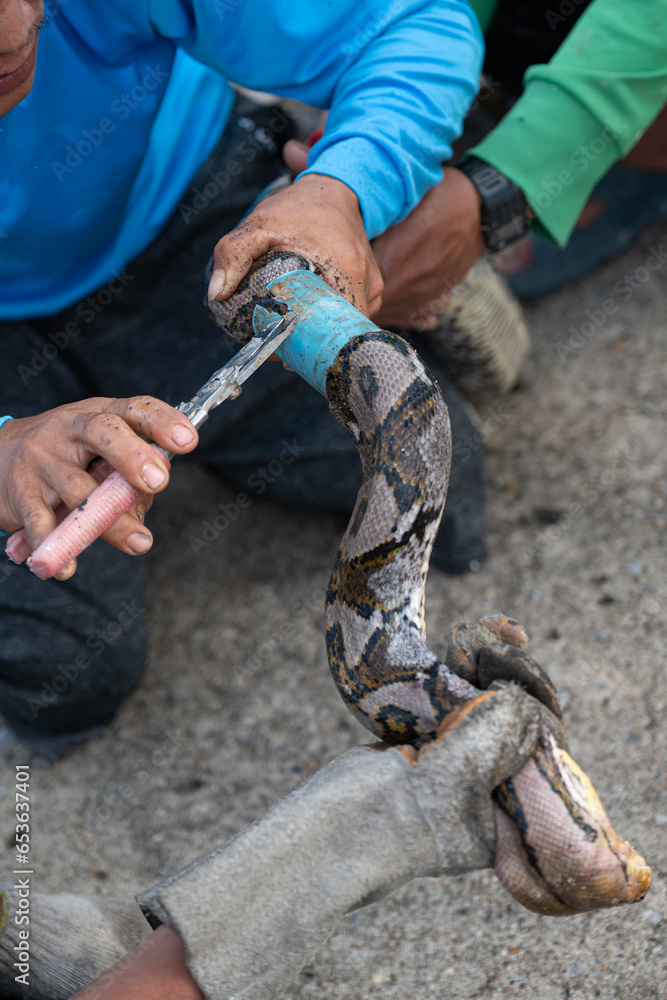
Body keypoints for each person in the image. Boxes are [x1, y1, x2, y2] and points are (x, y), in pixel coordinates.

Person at [0, 0, 488, 760]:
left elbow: (412, 22)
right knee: (61, 665)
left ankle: (382, 247)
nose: (3, 33)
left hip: (171, 217)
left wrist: (343, 188)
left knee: (440, 475)